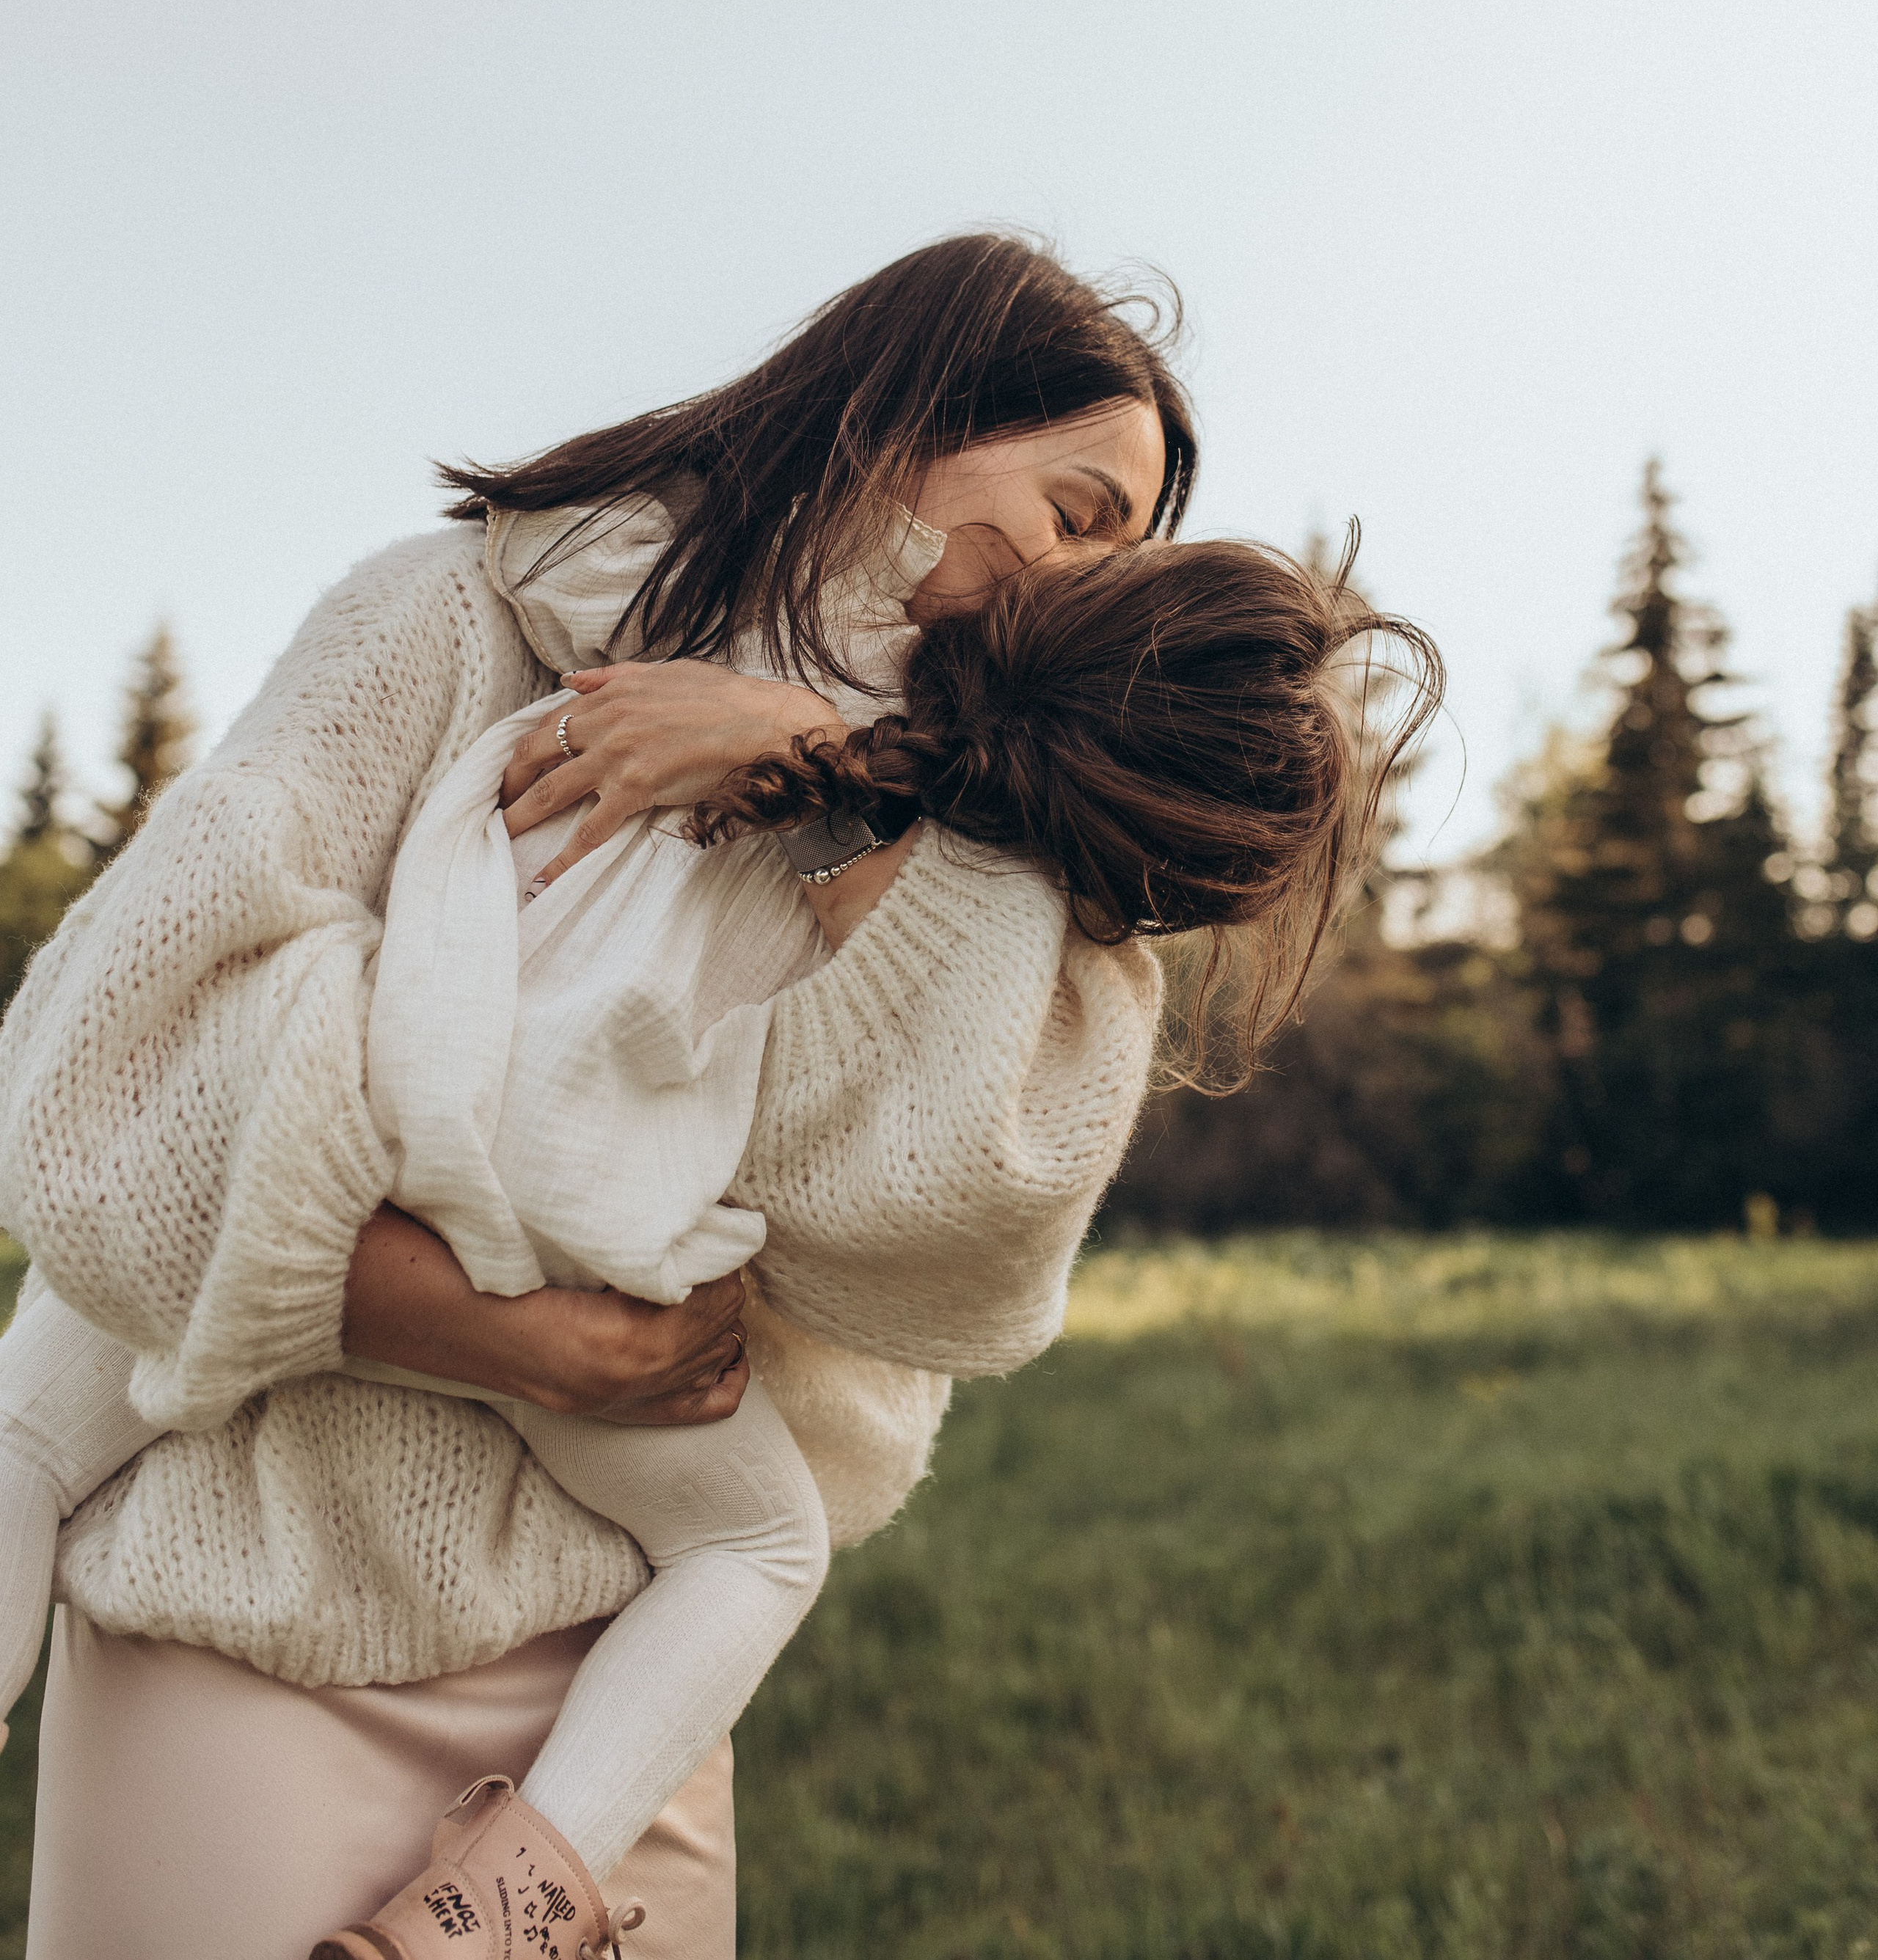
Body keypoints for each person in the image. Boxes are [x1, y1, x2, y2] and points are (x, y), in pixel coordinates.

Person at [0, 235, 1394, 1960]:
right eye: (1075, 508)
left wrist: (827, 772)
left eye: (1124, 549)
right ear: (903, 420)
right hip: (249, 1631)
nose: (1079, 576)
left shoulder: (970, 828)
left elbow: (958, 1233)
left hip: (619, 1710)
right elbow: (99, 1091)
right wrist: (495, 1329)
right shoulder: (457, 617)